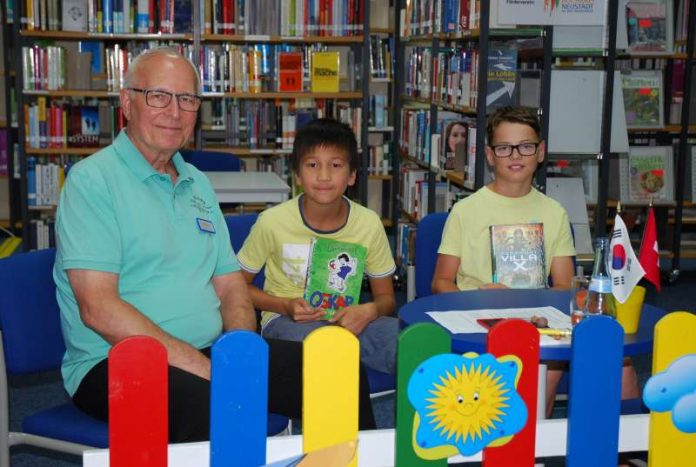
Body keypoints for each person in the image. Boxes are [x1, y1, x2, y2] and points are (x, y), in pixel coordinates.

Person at [53, 48, 375, 443]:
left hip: (207, 351)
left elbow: (230, 285)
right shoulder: (92, 183)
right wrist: (201, 366)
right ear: (126, 102)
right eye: (158, 95)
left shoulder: (199, 185)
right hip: (117, 361)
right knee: (218, 406)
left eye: (187, 99)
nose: (174, 111)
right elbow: (98, 308)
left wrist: (240, 351)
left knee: (337, 366)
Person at [431, 106, 639, 415]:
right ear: (490, 155)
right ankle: (526, 444)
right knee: (538, 364)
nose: (515, 156)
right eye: (504, 148)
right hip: (480, 321)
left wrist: (534, 303)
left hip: (538, 322)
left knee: (619, 364)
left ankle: (616, 453)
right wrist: (476, 297)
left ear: (540, 152)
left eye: (525, 147)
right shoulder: (465, 212)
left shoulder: (554, 213)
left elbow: (565, 285)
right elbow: (440, 283)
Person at [237, 118, 398, 375]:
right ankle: (329, 409)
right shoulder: (272, 222)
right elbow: (236, 286)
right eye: (312, 165)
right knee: (326, 349)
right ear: (298, 175)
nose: (324, 176)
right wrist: (285, 305)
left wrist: (371, 309)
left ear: (352, 175)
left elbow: (387, 299)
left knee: (406, 341)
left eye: (335, 165)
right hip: (286, 320)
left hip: (349, 319)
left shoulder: (368, 224)